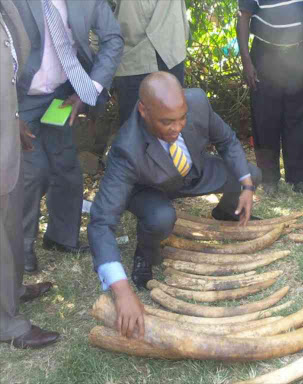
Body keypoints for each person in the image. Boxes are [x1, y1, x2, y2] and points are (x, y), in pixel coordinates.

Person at [88, 72, 261, 338]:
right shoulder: (126, 149)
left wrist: (247, 186)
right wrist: (120, 290)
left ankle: (226, 212)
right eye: (167, 122)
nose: (177, 127)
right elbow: (101, 221)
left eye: (182, 118)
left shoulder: (198, 103)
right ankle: (144, 257)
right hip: (150, 187)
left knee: (249, 173)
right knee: (161, 218)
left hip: (193, 172)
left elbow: (226, 140)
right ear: (144, 111)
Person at [14, 0, 124, 273]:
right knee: (32, 173)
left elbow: (113, 39)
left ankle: (61, 238)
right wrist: (9, 116)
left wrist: (89, 89)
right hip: (18, 98)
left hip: (61, 94)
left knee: (66, 167)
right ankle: (21, 248)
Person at [0, 0, 58, 349]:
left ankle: (13, 291)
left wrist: (14, 118)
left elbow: (13, 63)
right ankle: (7, 322)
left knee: (11, 221)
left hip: (8, 134)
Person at [237, 0, 303, 196]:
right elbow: (243, 18)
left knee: (298, 119)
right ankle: (269, 178)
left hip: (298, 54)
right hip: (265, 55)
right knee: (265, 119)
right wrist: (247, 61)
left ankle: (297, 178)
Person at [113, 0, 189, 126]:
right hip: (132, 59)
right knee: (133, 128)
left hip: (170, 51)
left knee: (173, 124)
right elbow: (97, 12)